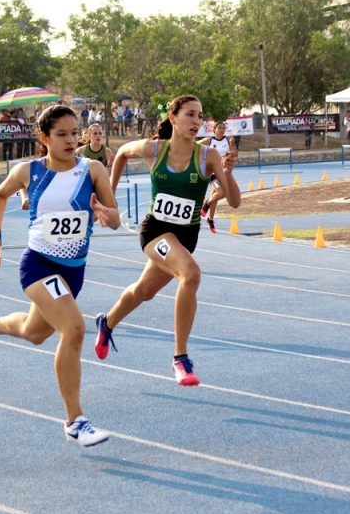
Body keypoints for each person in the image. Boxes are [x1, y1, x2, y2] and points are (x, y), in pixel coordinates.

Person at [0, 105, 121, 447]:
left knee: (34, 333)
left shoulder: (93, 170)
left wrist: (103, 212)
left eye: (73, 133)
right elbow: (0, 195)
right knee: (75, 328)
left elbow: (117, 218)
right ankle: (75, 421)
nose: (70, 140)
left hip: (74, 271)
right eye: (61, 134)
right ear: (44, 137)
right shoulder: (29, 171)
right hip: (38, 265)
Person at [93, 95, 241, 386]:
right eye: (190, 115)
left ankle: (106, 323)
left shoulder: (208, 155)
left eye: (200, 116)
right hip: (156, 231)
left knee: (144, 291)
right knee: (191, 274)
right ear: (173, 118)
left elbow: (234, 202)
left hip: (185, 237)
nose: (197, 121)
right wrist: (109, 197)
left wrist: (226, 173)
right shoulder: (154, 149)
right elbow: (121, 153)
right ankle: (180, 359)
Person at [197, 121, 238, 233]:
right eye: (219, 127)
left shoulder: (227, 140)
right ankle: (206, 205)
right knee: (221, 193)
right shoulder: (208, 141)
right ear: (214, 130)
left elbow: (236, 154)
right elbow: (194, 146)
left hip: (223, 172)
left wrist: (233, 146)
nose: (221, 129)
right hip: (213, 173)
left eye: (223, 128)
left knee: (215, 195)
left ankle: (210, 220)